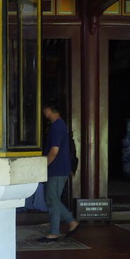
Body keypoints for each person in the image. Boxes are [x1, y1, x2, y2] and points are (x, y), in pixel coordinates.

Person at [40, 101, 79, 242]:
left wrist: (43, 166)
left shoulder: (57, 126)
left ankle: (55, 232)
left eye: (44, 110)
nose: (44, 114)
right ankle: (71, 223)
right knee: (53, 200)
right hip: (59, 169)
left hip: (56, 169)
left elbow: (54, 151)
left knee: (52, 201)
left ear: (48, 109)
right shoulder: (60, 125)